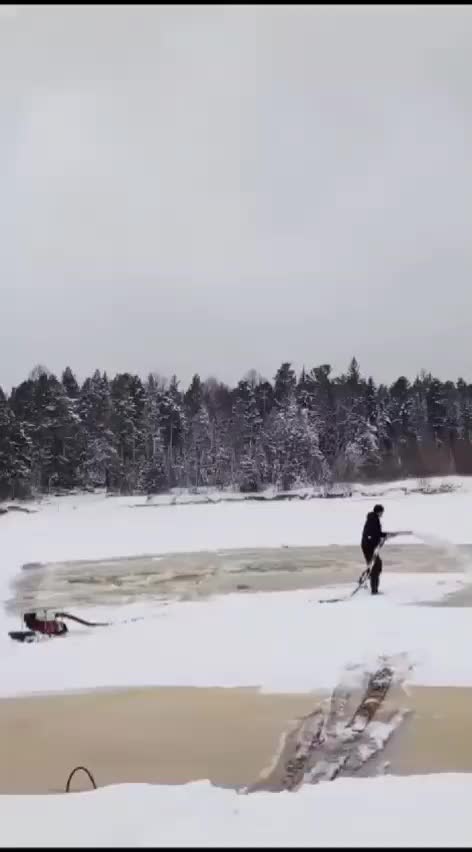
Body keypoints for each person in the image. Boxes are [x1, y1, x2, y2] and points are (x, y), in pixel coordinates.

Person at [361, 504, 390, 595]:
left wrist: (383, 535)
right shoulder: (373, 520)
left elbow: (375, 533)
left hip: (369, 546)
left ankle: (363, 578)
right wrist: (382, 536)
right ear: (379, 512)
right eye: (382, 512)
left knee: (376, 564)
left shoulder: (373, 519)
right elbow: (372, 534)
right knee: (375, 567)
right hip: (369, 547)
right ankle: (374, 590)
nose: (382, 514)